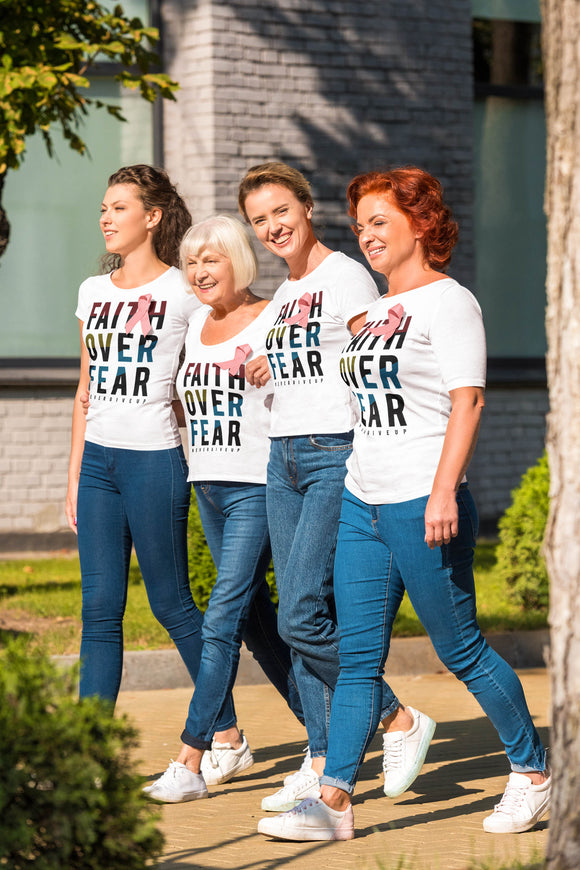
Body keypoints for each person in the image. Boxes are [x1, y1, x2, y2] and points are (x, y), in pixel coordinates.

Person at [257, 166, 551, 842]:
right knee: (358, 659)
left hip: (424, 500)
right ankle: (333, 803)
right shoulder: (378, 310)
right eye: (359, 226)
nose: (366, 236)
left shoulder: (451, 302)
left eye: (379, 222)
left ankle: (534, 774)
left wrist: (445, 488)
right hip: (363, 496)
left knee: (460, 649)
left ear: (421, 223)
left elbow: (467, 400)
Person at [67, 169, 294, 773]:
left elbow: (235, 328)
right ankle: (87, 753)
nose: (106, 218)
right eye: (103, 207)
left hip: (156, 460)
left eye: (119, 207)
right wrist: (73, 477)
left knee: (171, 602)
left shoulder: (183, 293)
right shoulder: (93, 291)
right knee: (99, 611)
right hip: (98, 464)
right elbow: (86, 389)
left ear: (154, 216)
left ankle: (223, 733)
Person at [239, 162, 435, 812]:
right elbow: (313, 359)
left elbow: (373, 361)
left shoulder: (345, 276)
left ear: (306, 206)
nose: (272, 227)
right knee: (302, 617)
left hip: (332, 455)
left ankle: (397, 717)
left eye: (280, 212)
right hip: (283, 457)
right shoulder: (287, 292)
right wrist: (270, 366)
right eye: (259, 220)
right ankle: (321, 756)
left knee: (298, 611)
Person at [144, 215, 303, 802]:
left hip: (256, 488)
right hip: (206, 485)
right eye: (191, 263)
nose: (199, 272)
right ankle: (332, 733)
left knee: (221, 621)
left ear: (239, 260)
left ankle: (191, 757)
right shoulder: (194, 327)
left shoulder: (272, 318)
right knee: (259, 625)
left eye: (211, 260)